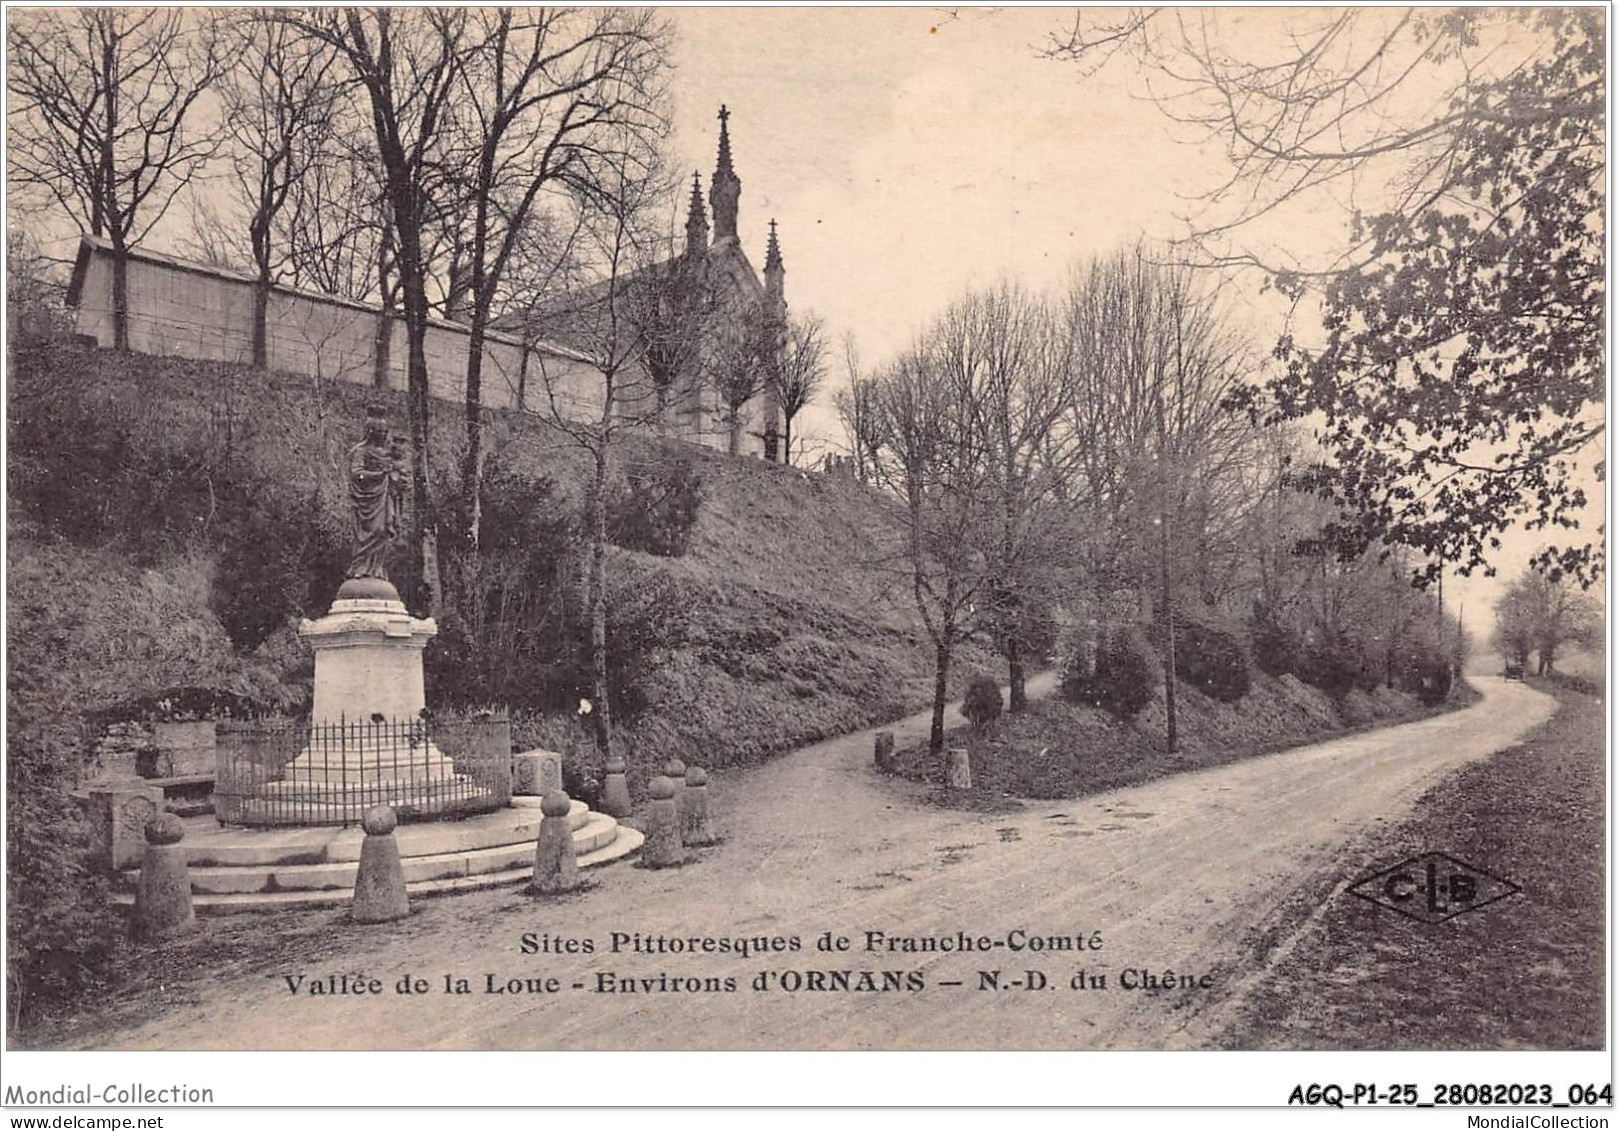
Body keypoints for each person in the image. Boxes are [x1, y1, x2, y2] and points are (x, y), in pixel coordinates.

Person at [345, 407, 406, 580]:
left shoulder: (387, 455)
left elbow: (397, 476)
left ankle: (377, 568)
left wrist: (398, 482)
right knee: (368, 532)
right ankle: (360, 567)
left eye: (385, 431)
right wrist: (379, 475)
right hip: (366, 500)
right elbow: (357, 473)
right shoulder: (360, 451)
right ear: (371, 432)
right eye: (380, 431)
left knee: (384, 530)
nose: (384, 435)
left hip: (384, 497)